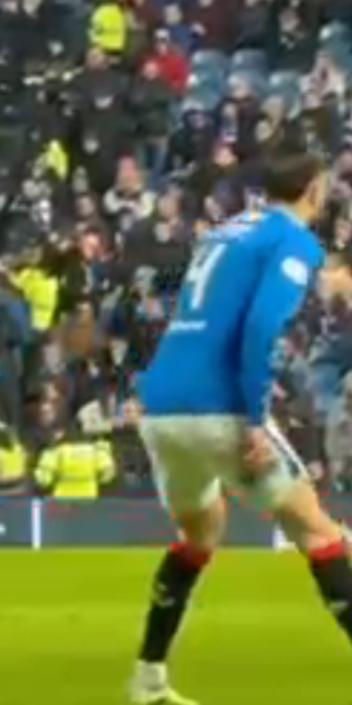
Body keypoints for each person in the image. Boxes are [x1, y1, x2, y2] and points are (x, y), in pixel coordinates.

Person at [129, 152, 352, 704]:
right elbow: (260, 326)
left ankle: (148, 678)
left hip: (160, 407)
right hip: (218, 406)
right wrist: (254, 419)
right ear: (313, 191)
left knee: (200, 535)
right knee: (320, 535)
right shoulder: (294, 240)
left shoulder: (227, 232)